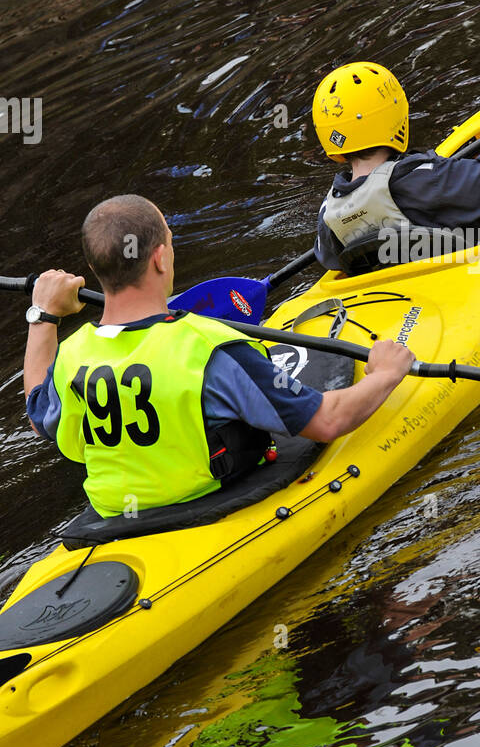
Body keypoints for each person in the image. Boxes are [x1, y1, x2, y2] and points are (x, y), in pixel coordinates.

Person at [23, 194, 414, 520]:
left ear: (94, 268)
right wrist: (384, 374)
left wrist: (43, 316)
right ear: (160, 258)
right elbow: (328, 421)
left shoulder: (70, 358)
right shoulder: (211, 347)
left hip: (119, 519)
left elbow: (40, 415)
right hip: (210, 503)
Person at [312, 62, 480, 272]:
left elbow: (330, 259)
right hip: (462, 266)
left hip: (396, 283)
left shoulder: (329, 213)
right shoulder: (422, 178)